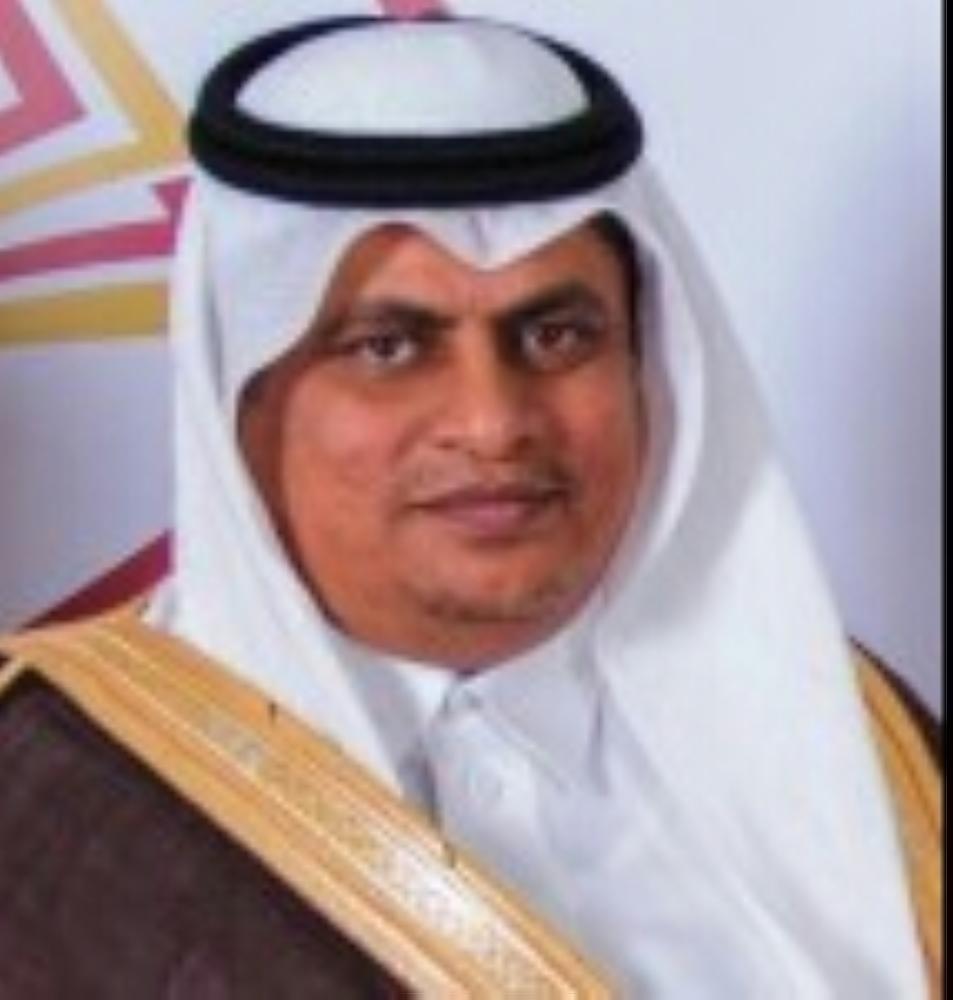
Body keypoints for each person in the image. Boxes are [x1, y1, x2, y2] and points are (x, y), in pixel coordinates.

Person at [0, 14, 939, 997]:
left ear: (648, 369)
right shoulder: (54, 809)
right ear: (243, 398)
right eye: (388, 348)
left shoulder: (854, 745)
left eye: (555, 336)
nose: (492, 424)